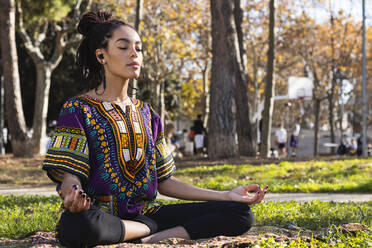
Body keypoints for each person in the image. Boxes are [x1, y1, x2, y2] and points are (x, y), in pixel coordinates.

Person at [42, 11, 268, 247]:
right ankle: (149, 230)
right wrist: (73, 195)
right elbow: (70, 175)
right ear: (101, 55)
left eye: (138, 48)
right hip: (99, 216)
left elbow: (165, 181)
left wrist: (226, 195)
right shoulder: (77, 109)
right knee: (76, 225)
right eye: (123, 47)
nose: (134, 54)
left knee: (240, 213)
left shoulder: (149, 115)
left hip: (149, 213)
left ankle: (152, 234)